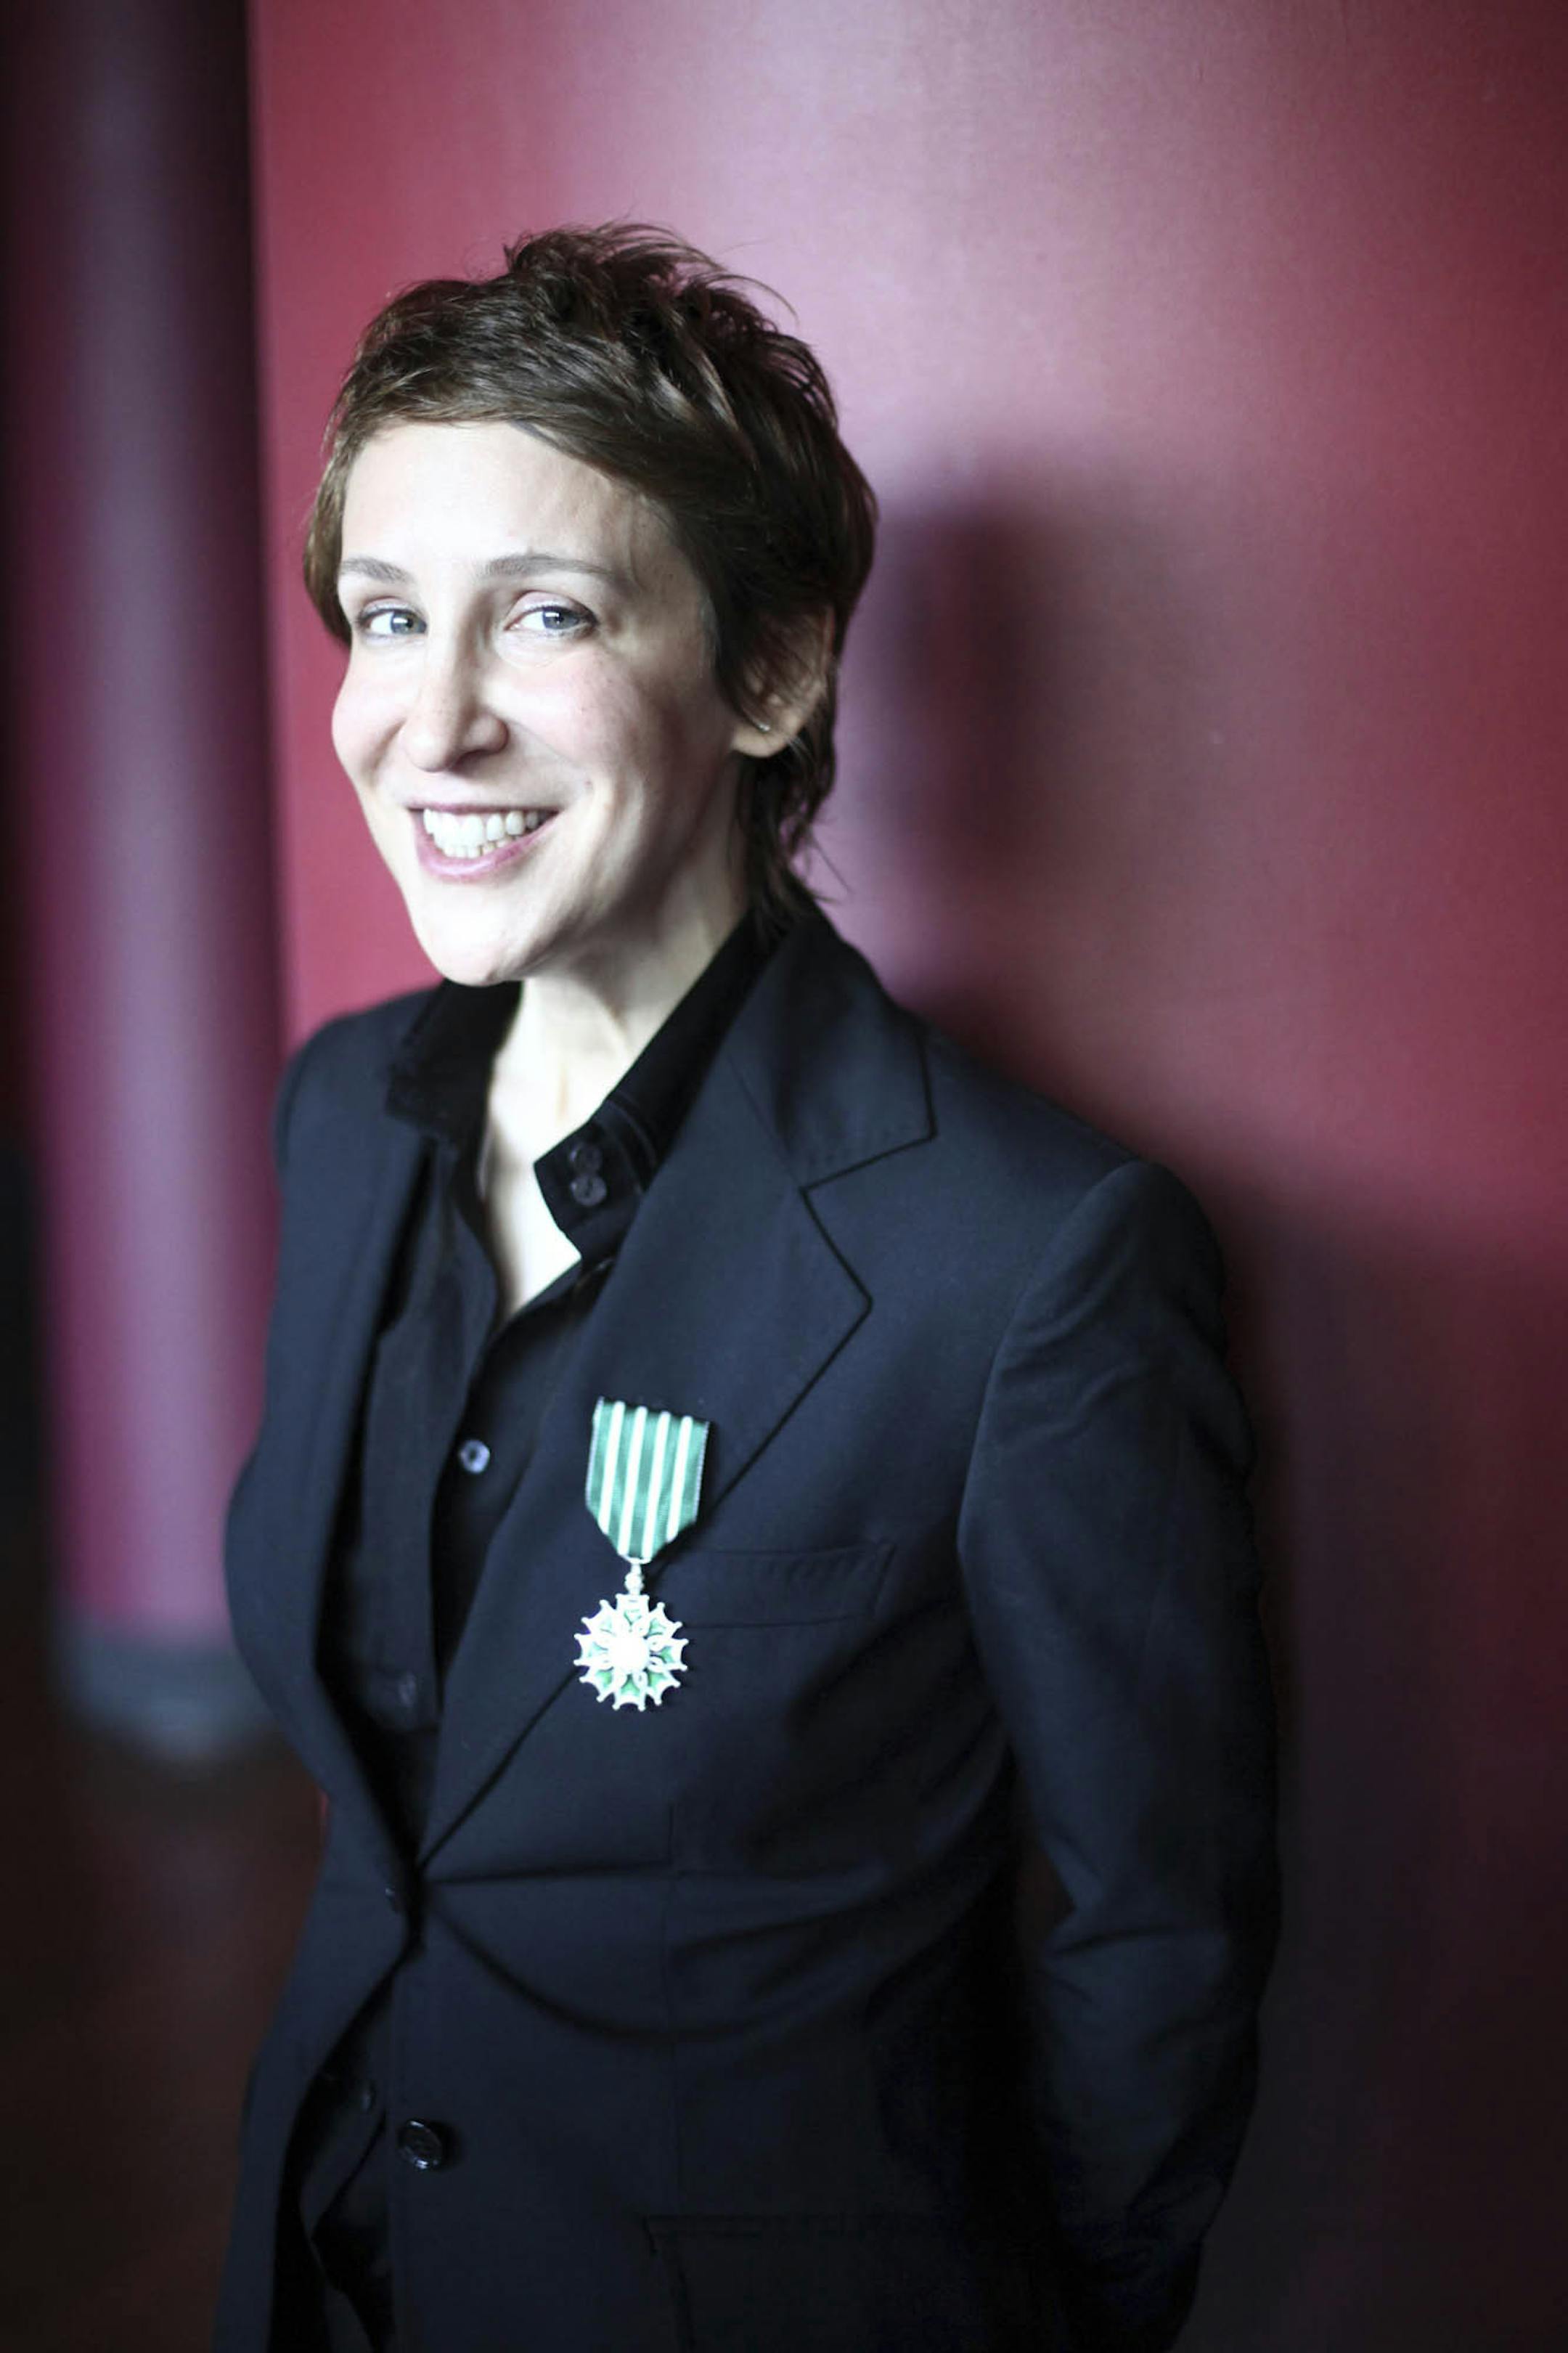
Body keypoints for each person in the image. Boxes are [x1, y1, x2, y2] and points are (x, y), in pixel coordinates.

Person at [218, 224, 1277, 2353]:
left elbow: (1157, 1933)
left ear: (775, 669)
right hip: (332, 2260)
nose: (432, 720)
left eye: (548, 614)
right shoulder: (344, 1112)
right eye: (388, 615)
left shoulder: (1031, 1260)